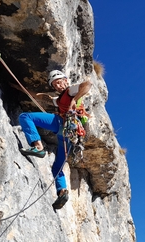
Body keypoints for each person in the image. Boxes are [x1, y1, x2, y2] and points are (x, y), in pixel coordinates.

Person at [18, 70, 92, 209]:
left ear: (65, 80)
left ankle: (38, 147)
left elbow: (88, 84)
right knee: (57, 167)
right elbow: (40, 96)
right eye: (55, 85)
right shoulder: (57, 100)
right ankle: (62, 191)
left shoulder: (70, 91)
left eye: (59, 82)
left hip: (63, 125)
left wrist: (74, 100)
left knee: (26, 117)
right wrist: (16, 85)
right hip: (68, 135)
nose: (58, 86)